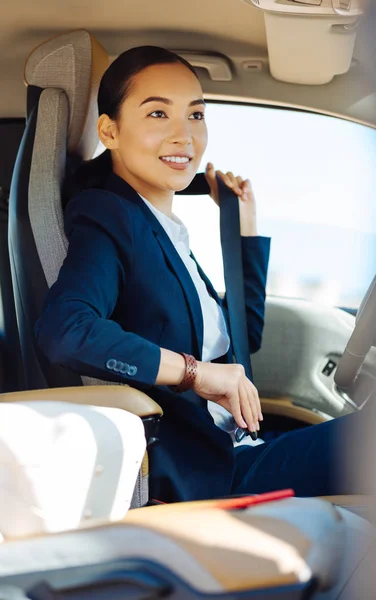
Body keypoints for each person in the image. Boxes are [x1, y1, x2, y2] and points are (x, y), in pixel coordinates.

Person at [35, 46, 364, 503]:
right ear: (109, 130)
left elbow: (242, 343)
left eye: (195, 115)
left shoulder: (163, 226)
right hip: (211, 474)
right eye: (157, 114)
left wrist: (244, 227)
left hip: (245, 448)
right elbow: (66, 330)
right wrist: (194, 373)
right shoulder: (109, 215)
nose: (183, 136)